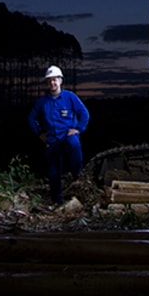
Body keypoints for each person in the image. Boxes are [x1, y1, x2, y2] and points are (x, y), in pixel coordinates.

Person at [27, 65, 90, 206]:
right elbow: (31, 118)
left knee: (74, 144)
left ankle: (79, 184)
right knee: (54, 172)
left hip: (67, 135)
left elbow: (84, 114)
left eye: (55, 80)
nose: (52, 83)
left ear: (60, 81)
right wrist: (39, 133)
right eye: (49, 81)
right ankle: (57, 201)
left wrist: (78, 129)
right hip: (52, 139)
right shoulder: (43, 102)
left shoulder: (69, 97)